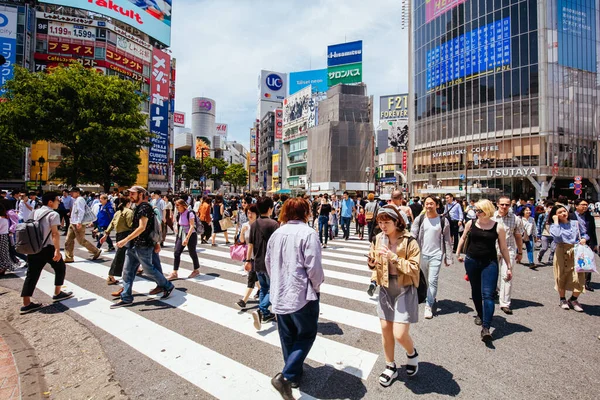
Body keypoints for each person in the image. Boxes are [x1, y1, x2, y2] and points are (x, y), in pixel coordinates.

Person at [266, 197, 325, 395]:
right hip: (301, 292)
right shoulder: (308, 233)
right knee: (306, 334)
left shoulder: (277, 233)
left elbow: (268, 263)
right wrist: (316, 287)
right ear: (306, 212)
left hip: (279, 291)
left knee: (287, 335)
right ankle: (285, 376)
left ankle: (293, 375)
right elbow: (314, 267)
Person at [367, 205, 420, 386]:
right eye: (380, 222)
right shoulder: (378, 239)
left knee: (399, 333)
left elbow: (414, 268)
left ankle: (411, 353)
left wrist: (393, 257)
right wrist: (372, 263)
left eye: (386, 222)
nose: (382, 226)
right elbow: (374, 263)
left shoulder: (409, 241)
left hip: (404, 287)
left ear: (396, 222)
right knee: (385, 328)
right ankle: (390, 366)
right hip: (385, 287)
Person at [456, 199, 512, 342]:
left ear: (487, 211)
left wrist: (509, 266)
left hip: (490, 263)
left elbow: (504, 248)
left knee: (488, 294)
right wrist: (457, 253)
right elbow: (463, 238)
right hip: (471, 261)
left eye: (479, 210)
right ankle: (480, 314)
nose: (476, 213)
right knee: (475, 290)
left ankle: (486, 328)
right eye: (475, 210)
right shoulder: (471, 223)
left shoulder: (498, 227)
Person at [111, 186, 175, 308]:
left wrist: (125, 240)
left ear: (140, 194)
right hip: (134, 245)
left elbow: (142, 227)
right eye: (130, 194)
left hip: (143, 245)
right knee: (127, 271)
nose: (130, 196)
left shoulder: (144, 207)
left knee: (148, 270)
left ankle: (167, 285)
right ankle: (126, 297)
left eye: (133, 194)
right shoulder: (137, 207)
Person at [19, 192, 73, 314]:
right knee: (60, 267)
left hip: (34, 247)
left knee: (32, 274)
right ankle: (57, 292)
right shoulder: (53, 214)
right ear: (50, 202)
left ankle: (26, 303)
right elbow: (54, 233)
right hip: (47, 247)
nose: (59, 202)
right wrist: (57, 250)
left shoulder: (35, 211)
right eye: (57, 200)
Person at [411, 196, 452, 319]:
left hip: (436, 255)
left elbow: (447, 240)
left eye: (431, 204)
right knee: (425, 281)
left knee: (432, 280)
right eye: (427, 204)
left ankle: (429, 306)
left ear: (437, 205)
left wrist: (448, 257)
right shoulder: (421, 218)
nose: (429, 206)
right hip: (422, 254)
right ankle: (430, 296)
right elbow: (413, 234)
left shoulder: (443, 221)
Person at [244, 197, 279, 330]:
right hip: (270, 263)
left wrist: (248, 261)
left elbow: (250, 245)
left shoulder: (254, 225)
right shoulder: (274, 224)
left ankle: (264, 313)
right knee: (273, 289)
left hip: (257, 261)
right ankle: (261, 310)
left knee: (264, 288)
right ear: (270, 208)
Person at [550, 205, 587, 312]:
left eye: (564, 211)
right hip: (561, 250)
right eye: (559, 212)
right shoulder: (554, 226)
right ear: (555, 215)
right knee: (561, 275)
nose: (563, 213)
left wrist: (584, 238)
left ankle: (574, 299)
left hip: (576, 250)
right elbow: (557, 236)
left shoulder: (575, 223)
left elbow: (584, 233)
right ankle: (562, 299)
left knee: (579, 275)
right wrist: (556, 222)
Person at [493, 195, 524, 315]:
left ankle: (505, 303)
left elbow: (518, 236)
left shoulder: (515, 219)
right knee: (492, 275)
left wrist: (520, 252)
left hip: (509, 250)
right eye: (502, 204)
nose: (504, 207)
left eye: (507, 204)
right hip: (492, 250)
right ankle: (493, 293)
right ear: (497, 204)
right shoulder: (491, 217)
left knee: (507, 276)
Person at [101, 196, 133, 286]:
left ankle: (137, 269)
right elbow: (130, 224)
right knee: (121, 255)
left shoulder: (118, 212)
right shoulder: (129, 212)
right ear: (128, 203)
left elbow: (112, 223)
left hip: (119, 235)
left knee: (127, 253)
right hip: (127, 234)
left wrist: (106, 234)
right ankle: (111, 275)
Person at [64, 187, 102, 263]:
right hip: (73, 222)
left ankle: (96, 250)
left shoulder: (80, 200)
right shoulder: (76, 200)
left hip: (77, 223)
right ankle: (69, 257)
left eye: (72, 192)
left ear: (77, 192)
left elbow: (81, 211)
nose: (70, 193)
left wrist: (79, 222)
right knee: (68, 240)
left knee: (81, 241)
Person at [166, 199, 201, 281]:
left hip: (191, 235)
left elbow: (192, 226)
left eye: (178, 206)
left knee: (192, 252)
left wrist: (186, 238)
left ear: (183, 205)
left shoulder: (190, 213)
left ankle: (196, 270)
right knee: (177, 252)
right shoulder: (179, 213)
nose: (177, 207)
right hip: (181, 234)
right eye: (176, 206)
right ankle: (175, 273)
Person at [235, 203, 260, 309]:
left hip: (258, 256)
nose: (250, 215)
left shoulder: (260, 225)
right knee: (255, 277)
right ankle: (261, 289)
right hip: (249, 255)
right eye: (248, 213)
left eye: (252, 213)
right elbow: (241, 241)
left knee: (251, 277)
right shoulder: (245, 225)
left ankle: (243, 301)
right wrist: (242, 232)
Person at [573, 199, 597, 292]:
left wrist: (595, 244)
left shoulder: (590, 217)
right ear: (576, 205)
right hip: (575, 242)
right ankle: (576, 281)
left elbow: (592, 231)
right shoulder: (571, 216)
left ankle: (586, 283)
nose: (585, 206)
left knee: (588, 261)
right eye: (583, 205)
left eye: (586, 205)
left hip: (587, 242)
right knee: (576, 262)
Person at [0, 203, 20, 275]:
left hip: (1, 237)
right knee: (4, 253)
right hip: (4, 236)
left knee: (3, 254)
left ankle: (4, 267)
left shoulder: (1, 219)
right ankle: (4, 267)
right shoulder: (5, 218)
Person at [537, 201, 555, 265]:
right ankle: (540, 255)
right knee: (544, 248)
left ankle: (551, 260)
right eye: (550, 207)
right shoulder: (542, 215)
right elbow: (539, 225)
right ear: (546, 208)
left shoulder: (555, 216)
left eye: (553, 208)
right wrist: (538, 235)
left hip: (553, 235)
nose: (551, 209)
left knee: (553, 248)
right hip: (544, 234)